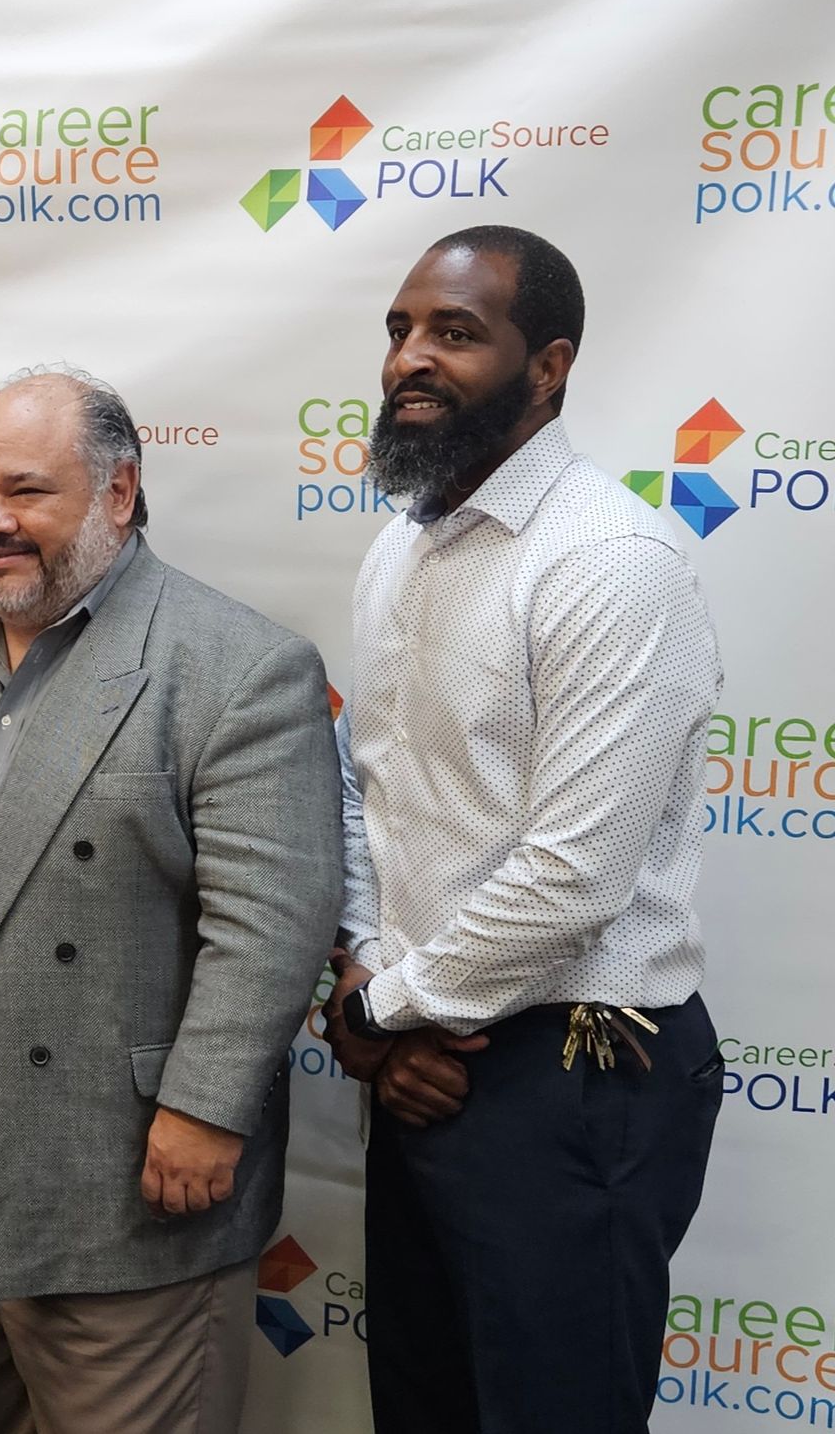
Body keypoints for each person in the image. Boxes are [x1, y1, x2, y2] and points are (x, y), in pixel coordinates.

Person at [0, 368, 341, 1433]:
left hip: (128, 1168)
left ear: (119, 491)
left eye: (26, 490)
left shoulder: (236, 665)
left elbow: (274, 919)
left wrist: (204, 1104)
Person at [322, 225, 725, 1434]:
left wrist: (380, 1014)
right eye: (400, 329)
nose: (410, 358)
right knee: (426, 1407)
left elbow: (573, 874)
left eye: (454, 331)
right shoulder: (402, 547)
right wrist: (377, 990)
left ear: (546, 366)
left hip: (576, 1074)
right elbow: (369, 792)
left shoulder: (611, 558)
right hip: (426, 1064)